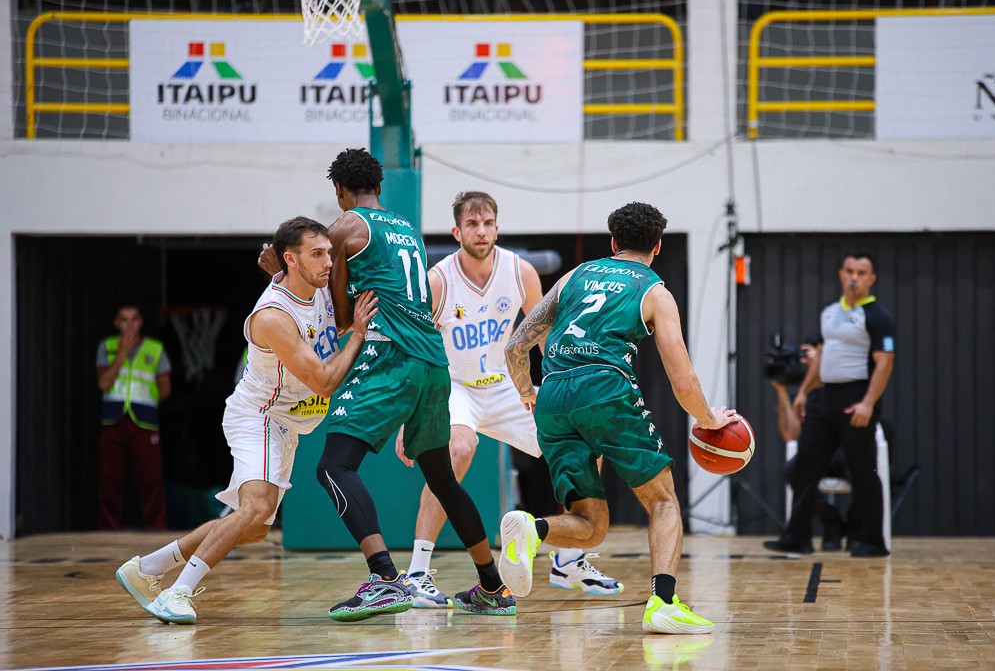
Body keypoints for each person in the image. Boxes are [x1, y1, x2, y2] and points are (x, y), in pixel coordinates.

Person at [115, 217, 378, 624]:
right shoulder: (273, 316)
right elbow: (325, 383)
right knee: (255, 510)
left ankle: (148, 568)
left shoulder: (314, 285)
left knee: (252, 526)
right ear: (292, 260)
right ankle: (177, 594)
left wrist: (342, 315)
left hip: (287, 423)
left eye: (329, 252)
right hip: (260, 416)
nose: (329, 262)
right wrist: (358, 334)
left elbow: (326, 317)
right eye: (318, 254)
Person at [500, 201, 737, 635]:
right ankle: (663, 603)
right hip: (604, 388)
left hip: (553, 393)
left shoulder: (574, 276)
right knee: (663, 502)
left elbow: (516, 345)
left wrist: (527, 391)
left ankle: (531, 529)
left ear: (613, 242)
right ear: (658, 246)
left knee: (592, 528)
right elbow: (682, 382)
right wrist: (710, 419)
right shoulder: (655, 292)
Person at [393, 191, 623, 608]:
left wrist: (554, 393)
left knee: (582, 444)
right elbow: (417, 351)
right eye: (472, 224)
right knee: (459, 450)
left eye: (487, 223)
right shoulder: (438, 280)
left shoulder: (521, 272)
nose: (481, 231)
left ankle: (569, 558)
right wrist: (412, 416)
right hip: (454, 387)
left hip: (503, 385)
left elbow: (542, 341)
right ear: (457, 231)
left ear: (497, 227)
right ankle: (417, 573)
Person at [315, 148, 516, 621]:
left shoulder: (346, 226)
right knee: (443, 479)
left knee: (333, 467)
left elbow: (344, 318)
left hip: (390, 356)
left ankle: (385, 578)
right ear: (380, 187)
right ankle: (493, 587)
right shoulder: (405, 227)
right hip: (433, 362)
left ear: (340, 191)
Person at [764, 252, 895, 558]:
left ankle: (872, 540)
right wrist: (804, 392)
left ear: (871, 279)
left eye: (861, 273)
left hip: (856, 398)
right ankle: (798, 537)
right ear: (841, 274)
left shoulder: (877, 316)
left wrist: (867, 403)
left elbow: (885, 364)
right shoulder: (830, 312)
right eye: (850, 271)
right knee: (805, 466)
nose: (854, 277)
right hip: (825, 397)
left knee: (864, 470)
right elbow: (820, 357)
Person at [771, 336, 854, 552]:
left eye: (809, 354)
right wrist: (781, 392)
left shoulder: (840, 383)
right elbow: (790, 433)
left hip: (845, 450)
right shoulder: (800, 392)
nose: (804, 360)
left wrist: (819, 364)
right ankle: (832, 521)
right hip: (818, 454)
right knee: (793, 470)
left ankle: (855, 532)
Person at [97, 304, 173, 531]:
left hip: (145, 421)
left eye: (134, 319)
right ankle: (108, 530)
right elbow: (103, 383)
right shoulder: (107, 347)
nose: (129, 325)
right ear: (116, 324)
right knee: (110, 480)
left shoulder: (155, 348)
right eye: (124, 320)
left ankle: (156, 529)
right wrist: (121, 353)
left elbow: (165, 389)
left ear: (141, 322)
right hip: (113, 419)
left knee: (151, 480)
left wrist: (145, 403)